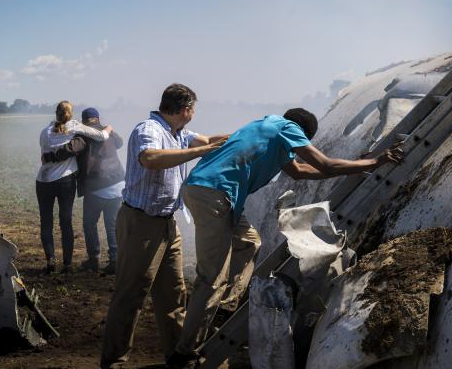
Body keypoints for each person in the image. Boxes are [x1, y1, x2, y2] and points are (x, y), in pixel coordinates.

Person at [168, 108, 404, 366]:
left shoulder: (266, 129)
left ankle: (226, 303)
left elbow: (299, 171)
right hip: (215, 194)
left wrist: (352, 167)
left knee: (250, 242)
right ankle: (184, 351)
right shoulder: (287, 128)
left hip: (211, 192)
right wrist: (375, 162)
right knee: (211, 278)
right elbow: (323, 164)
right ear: (302, 132)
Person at [101, 84, 227, 368]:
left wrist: (242, 136)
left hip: (167, 223)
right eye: (193, 109)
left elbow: (208, 140)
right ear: (185, 110)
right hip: (141, 223)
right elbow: (151, 159)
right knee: (131, 295)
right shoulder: (149, 129)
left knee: (174, 294)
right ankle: (113, 362)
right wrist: (202, 151)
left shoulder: (179, 133)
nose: (194, 114)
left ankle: (178, 356)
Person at [42, 107, 125, 274]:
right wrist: (109, 128)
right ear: (98, 118)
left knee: (89, 223)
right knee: (112, 224)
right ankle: (115, 260)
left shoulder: (84, 135)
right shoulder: (109, 132)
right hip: (118, 183)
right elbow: (120, 143)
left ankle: (94, 259)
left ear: (84, 121)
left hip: (96, 186)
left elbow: (69, 150)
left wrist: (48, 157)